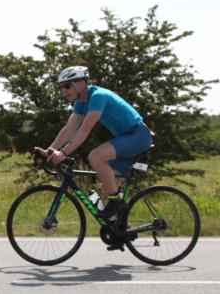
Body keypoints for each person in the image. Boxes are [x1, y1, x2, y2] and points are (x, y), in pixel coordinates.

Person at [43, 67, 153, 220]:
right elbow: (69, 129)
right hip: (126, 138)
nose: (63, 91)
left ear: (81, 83)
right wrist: (49, 150)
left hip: (137, 135)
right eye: (62, 87)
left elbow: (84, 130)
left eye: (67, 86)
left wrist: (63, 153)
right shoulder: (81, 102)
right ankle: (121, 229)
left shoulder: (98, 96)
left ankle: (116, 205)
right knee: (107, 187)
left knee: (95, 156)